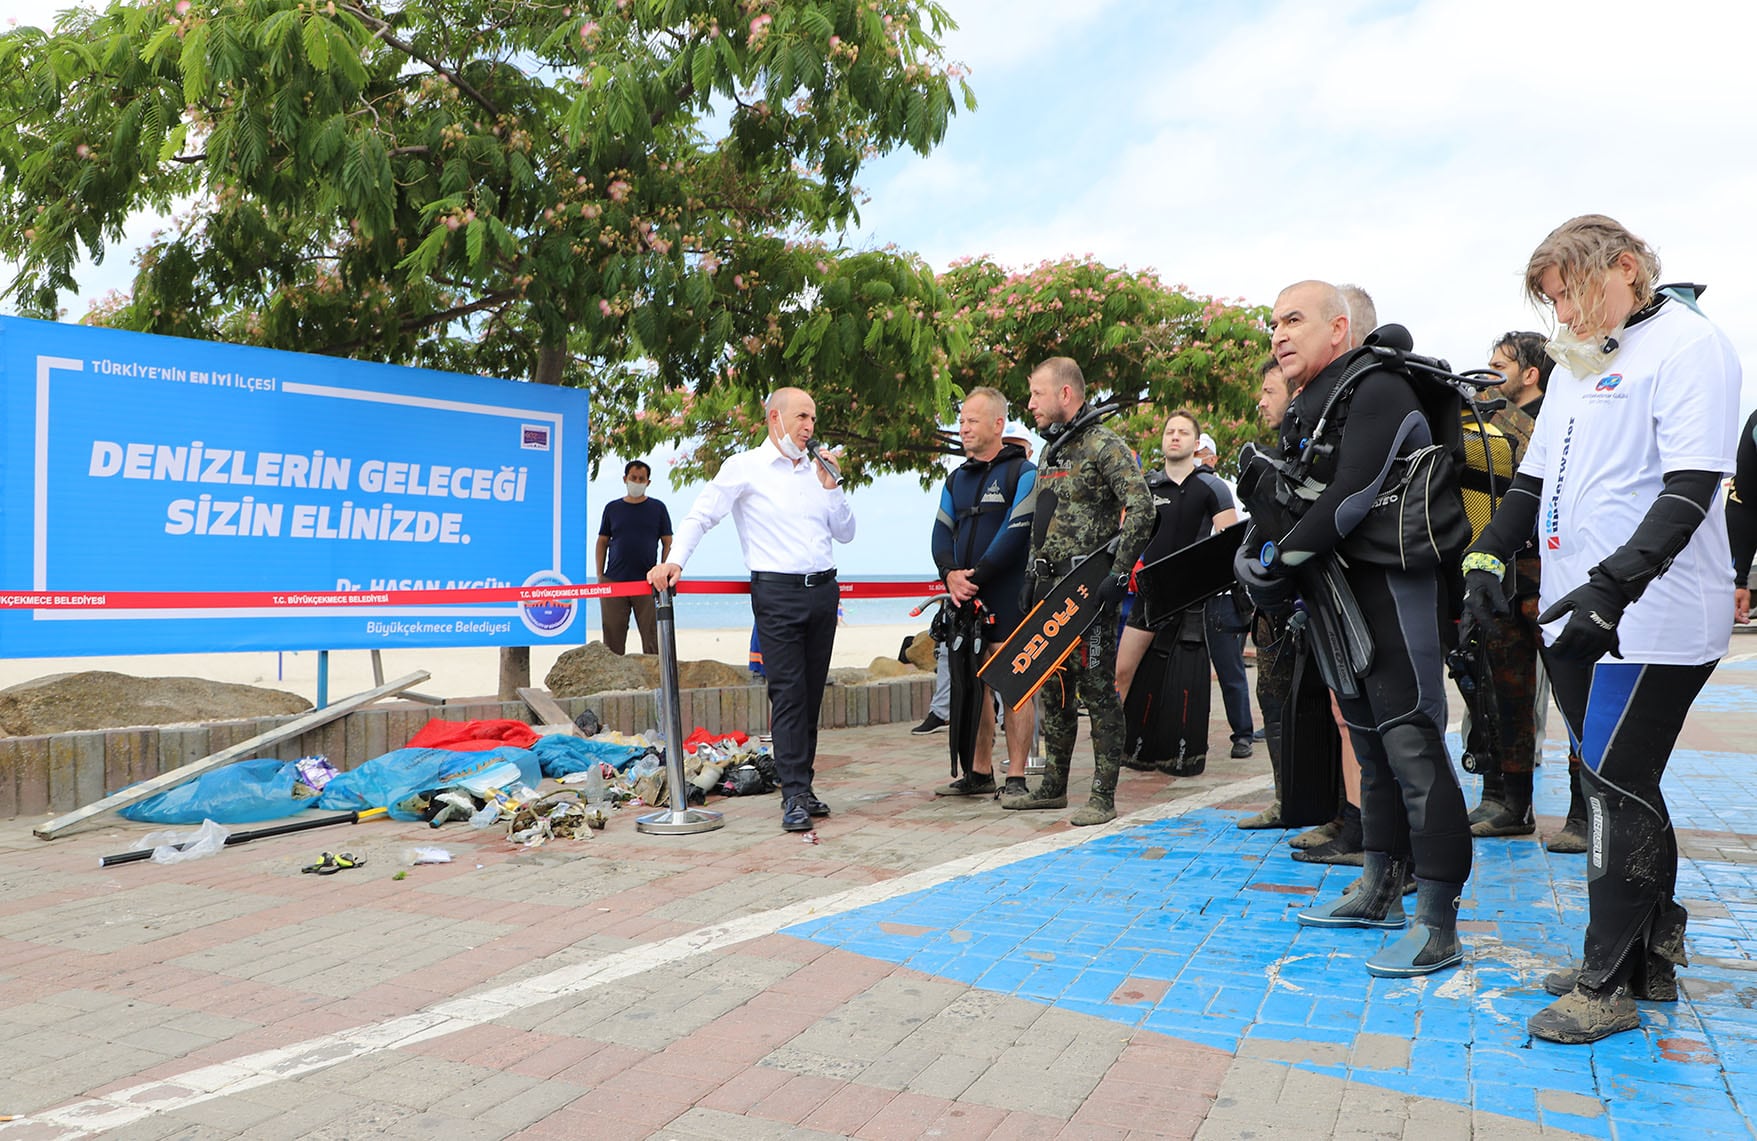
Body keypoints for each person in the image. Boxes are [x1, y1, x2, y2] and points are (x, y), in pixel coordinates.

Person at [1463, 216, 1740, 1043]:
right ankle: (1650, 943)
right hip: (1576, 613)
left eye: (1569, 294)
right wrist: (1485, 555)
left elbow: (1690, 487)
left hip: (1649, 616)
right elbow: (1533, 479)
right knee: (1617, 779)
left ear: (1624, 267)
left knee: (1613, 784)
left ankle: (1605, 981)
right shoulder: (1584, 359)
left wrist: (1613, 588)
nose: (1563, 317)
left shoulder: (1690, 347)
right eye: (1550, 302)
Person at [1236, 280, 1472, 978]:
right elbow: (1287, 499)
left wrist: (1278, 561)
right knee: (1369, 747)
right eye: (1272, 322)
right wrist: (1253, 556)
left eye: (1293, 320)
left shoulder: (1375, 388)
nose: (1277, 333)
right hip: (1342, 597)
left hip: (1397, 591)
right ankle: (1378, 887)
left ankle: (1435, 917)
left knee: (1410, 744)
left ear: (1338, 329)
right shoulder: (1311, 405)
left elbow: (1349, 499)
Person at [648, 388, 855, 833]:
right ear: (774, 418)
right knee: (788, 694)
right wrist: (675, 561)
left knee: (813, 695)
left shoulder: (816, 470)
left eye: (814, 419)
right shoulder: (745, 466)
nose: (809, 427)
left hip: (823, 590)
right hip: (777, 593)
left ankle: (804, 783)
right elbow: (701, 516)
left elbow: (847, 531)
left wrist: (832, 488)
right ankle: (794, 793)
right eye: (802, 417)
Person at [1003, 357, 1154, 825]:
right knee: (1054, 691)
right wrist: (1030, 576)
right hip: (1049, 588)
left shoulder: (1104, 445)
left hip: (1089, 591)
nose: (1030, 404)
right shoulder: (1051, 452)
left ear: (1065, 394)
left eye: (1036, 394)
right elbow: (1039, 523)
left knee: (1097, 691)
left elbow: (1143, 508)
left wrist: (1119, 574)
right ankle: (1052, 788)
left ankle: (1103, 796)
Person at [1461, 331, 1560, 842]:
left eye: (1500, 365)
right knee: (1503, 695)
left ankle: (1588, 814)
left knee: (1573, 696)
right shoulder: (1484, 421)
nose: (1488, 375)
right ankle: (1507, 802)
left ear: (1530, 374)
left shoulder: (1557, 416)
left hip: (1550, 576)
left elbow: (1530, 469)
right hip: (1503, 576)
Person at [1114, 409, 1237, 773]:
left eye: (1183, 432)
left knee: (1182, 680)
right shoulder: (1148, 486)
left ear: (1196, 443)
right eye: (1169, 431)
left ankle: (1181, 753)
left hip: (1189, 600)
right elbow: (1127, 538)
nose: (1175, 437)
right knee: (1123, 671)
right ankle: (1115, 748)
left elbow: (1229, 543)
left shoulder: (1211, 487)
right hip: (1150, 595)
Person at [929, 388, 1037, 798]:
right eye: (961, 421)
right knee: (972, 686)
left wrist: (975, 574)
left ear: (997, 425)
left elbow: (1017, 530)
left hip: (1007, 595)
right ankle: (979, 772)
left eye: (972, 421)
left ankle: (1017, 777)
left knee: (1013, 684)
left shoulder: (1022, 473)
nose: (963, 428)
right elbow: (941, 531)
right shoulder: (956, 478)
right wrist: (950, 574)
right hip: (964, 597)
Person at [1238, 359, 1294, 829]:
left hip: (1306, 609)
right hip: (1271, 611)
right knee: (1272, 704)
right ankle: (1287, 798)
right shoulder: (1274, 456)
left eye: (1269, 391)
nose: (1261, 400)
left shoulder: (1308, 458)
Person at [1191, 430, 1255, 758]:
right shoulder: (1184, 492)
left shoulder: (1225, 490)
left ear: (1213, 459)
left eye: (1200, 453)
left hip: (1223, 595)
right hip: (1191, 595)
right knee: (1190, 670)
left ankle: (1242, 734)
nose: (1196, 459)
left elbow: (1235, 541)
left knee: (1229, 669)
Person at [595, 460, 672, 655]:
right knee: (612, 640)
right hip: (614, 581)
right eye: (633, 478)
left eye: (641, 479)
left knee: (652, 638)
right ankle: (615, 682)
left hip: (647, 582)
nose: (637, 482)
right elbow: (602, 542)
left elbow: (668, 542)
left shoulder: (658, 508)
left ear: (648, 482)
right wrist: (600, 576)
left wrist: (664, 571)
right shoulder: (612, 508)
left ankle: (656, 680)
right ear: (625, 479)